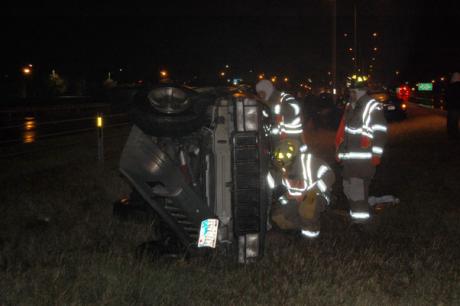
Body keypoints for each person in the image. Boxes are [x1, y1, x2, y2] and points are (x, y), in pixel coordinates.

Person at [335, 75, 388, 223]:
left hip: (363, 161)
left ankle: (361, 226)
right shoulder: (351, 106)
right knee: (349, 189)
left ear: (359, 90)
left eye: (351, 90)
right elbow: (344, 132)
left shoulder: (372, 106)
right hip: (349, 161)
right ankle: (358, 216)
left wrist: (376, 155)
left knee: (357, 193)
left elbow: (380, 131)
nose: (349, 93)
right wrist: (339, 151)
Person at [267, 139, 335, 238]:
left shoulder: (310, 163)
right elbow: (270, 182)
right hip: (293, 197)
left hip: (315, 194)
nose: (283, 170)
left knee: (307, 208)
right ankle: (299, 228)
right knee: (278, 216)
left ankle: (311, 237)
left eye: (286, 166)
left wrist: (309, 192)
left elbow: (330, 175)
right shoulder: (281, 166)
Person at [446, 72, 460, 140]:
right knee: (455, 121)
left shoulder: (450, 86)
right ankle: (455, 135)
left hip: (452, 106)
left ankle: (452, 135)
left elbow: (447, 97)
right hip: (457, 106)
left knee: (452, 122)